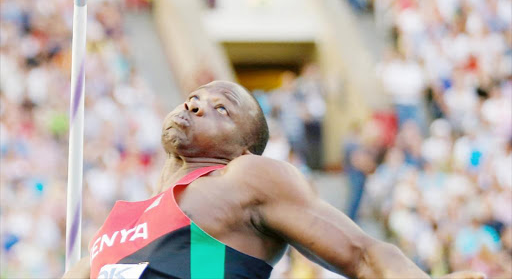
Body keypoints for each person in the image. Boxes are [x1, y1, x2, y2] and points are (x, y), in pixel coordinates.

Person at [64, 81, 483, 279]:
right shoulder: (113, 229)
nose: (194, 105)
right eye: (193, 98)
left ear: (244, 147)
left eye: (221, 108)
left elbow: (362, 254)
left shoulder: (242, 179)